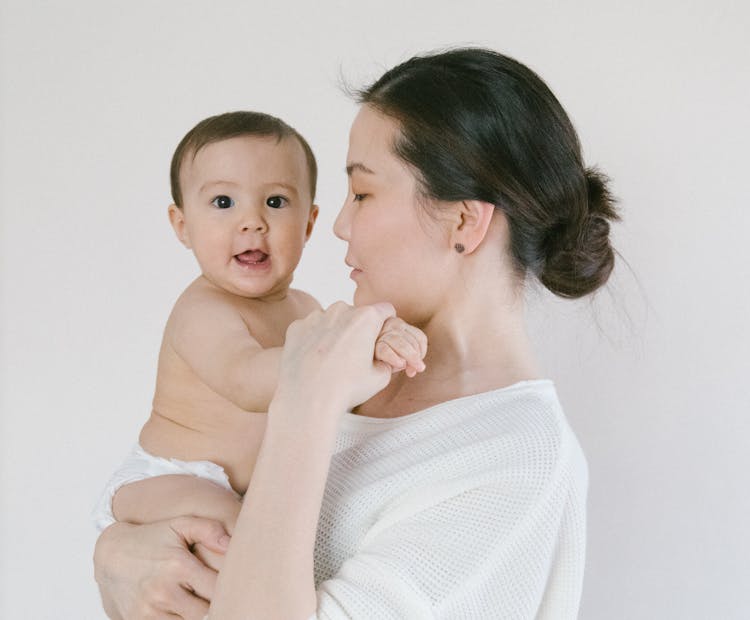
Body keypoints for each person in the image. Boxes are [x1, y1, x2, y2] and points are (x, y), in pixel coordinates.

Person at [93, 47, 619, 619]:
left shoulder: (514, 463)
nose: (339, 225)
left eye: (363, 193)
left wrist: (305, 404)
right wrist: (114, 552)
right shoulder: (350, 368)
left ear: (465, 221)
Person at [91, 110, 429, 532]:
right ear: (183, 226)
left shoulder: (306, 308)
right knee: (247, 534)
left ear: (308, 224)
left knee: (267, 531)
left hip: (245, 489)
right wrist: (349, 345)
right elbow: (247, 381)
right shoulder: (203, 312)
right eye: (223, 203)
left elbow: (342, 387)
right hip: (172, 476)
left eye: (275, 202)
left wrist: (381, 338)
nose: (252, 222)